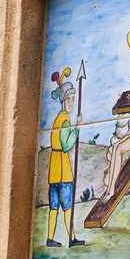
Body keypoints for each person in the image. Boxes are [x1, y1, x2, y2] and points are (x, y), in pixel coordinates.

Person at [47, 70, 85, 247]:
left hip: (54, 170)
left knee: (54, 207)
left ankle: (50, 238)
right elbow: (67, 145)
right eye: (69, 99)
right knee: (67, 206)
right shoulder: (65, 120)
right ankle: (71, 238)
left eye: (73, 100)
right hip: (62, 169)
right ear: (63, 100)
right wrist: (76, 128)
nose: (71, 103)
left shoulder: (57, 119)